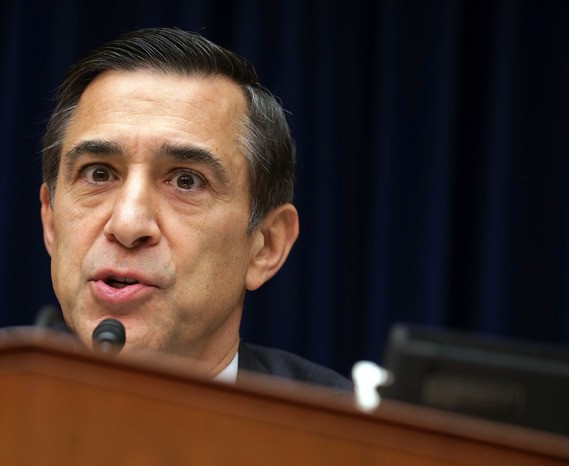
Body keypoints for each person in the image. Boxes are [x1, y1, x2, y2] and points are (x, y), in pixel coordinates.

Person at [36, 27, 350, 390]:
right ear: (51, 222)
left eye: (186, 181)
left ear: (266, 246)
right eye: (98, 173)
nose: (127, 224)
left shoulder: (354, 439)